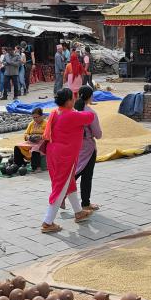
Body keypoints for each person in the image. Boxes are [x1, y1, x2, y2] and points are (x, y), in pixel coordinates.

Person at [40, 88, 96, 234]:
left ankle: (78, 212)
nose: (74, 100)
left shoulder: (55, 112)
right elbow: (90, 116)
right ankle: (48, 221)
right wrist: (80, 108)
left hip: (53, 152)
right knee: (60, 187)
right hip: (64, 155)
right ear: (68, 101)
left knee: (68, 183)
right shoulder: (71, 115)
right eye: (73, 98)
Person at [74, 86, 103, 210]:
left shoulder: (73, 111)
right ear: (90, 96)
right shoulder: (90, 112)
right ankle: (85, 203)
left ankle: (61, 194)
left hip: (74, 146)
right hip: (88, 148)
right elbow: (98, 134)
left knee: (73, 172)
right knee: (85, 176)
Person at [14, 106, 46, 171]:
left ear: (42, 116)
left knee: (35, 149)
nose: (35, 119)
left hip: (42, 142)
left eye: (37, 117)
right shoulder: (31, 123)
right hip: (31, 141)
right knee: (17, 147)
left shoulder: (46, 123)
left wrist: (40, 137)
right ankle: (20, 164)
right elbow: (26, 134)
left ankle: (36, 167)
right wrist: (28, 137)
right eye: (34, 117)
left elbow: (49, 135)